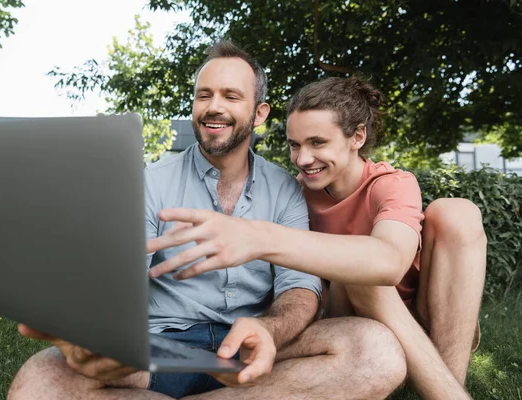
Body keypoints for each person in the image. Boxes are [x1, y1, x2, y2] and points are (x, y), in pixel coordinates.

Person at [8, 42, 407, 400]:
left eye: (231, 96)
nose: (214, 106)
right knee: (40, 382)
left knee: (375, 350)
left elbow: (299, 289)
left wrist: (269, 330)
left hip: (252, 351)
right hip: (161, 352)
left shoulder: (287, 189)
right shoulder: (150, 181)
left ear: (259, 112)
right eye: (204, 95)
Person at [147, 76, 487, 399]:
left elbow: (390, 262)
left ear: (357, 137)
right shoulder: (293, 192)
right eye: (295, 145)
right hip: (347, 316)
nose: (303, 159)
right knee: (355, 273)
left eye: (318, 143)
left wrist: (259, 236)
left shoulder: (392, 184)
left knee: (454, 213)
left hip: (414, 313)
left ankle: (448, 385)